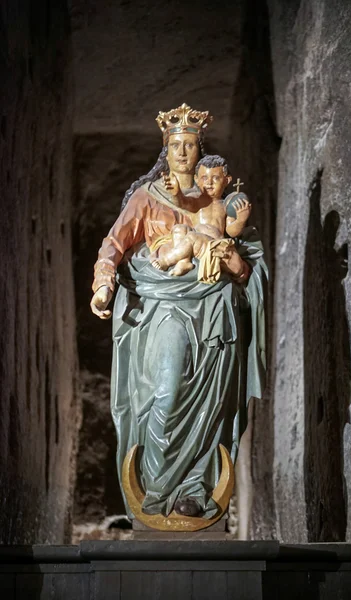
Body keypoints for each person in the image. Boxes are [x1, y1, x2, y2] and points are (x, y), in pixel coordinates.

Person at [90, 103, 267, 520]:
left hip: (215, 316)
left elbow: (248, 265)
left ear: (201, 153)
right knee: (165, 395)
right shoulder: (147, 198)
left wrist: (235, 265)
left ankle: (193, 492)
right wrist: (103, 283)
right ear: (165, 151)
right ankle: (156, 492)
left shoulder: (221, 205)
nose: (183, 153)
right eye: (176, 146)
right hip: (164, 310)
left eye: (190, 145)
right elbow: (114, 245)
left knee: (211, 407)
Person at [149, 155, 252, 284]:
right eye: (204, 178)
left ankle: (166, 261)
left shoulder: (225, 205)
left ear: (227, 180)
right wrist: (177, 194)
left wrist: (240, 220)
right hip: (197, 243)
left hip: (216, 247)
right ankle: (183, 262)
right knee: (179, 229)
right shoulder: (196, 201)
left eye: (216, 178)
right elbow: (182, 203)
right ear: (197, 180)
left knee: (192, 237)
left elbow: (231, 232)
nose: (209, 182)